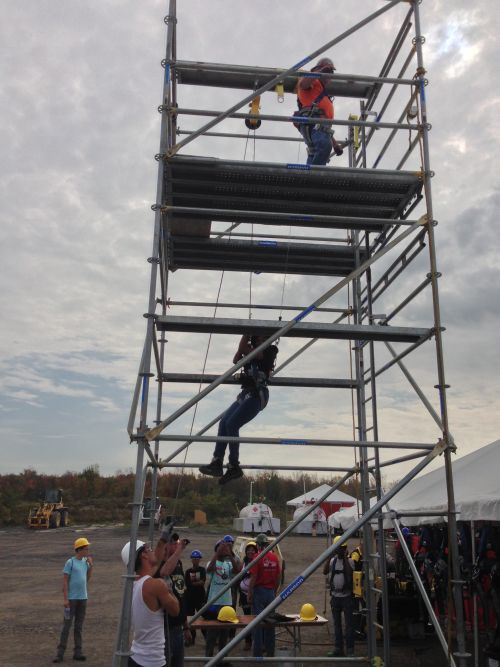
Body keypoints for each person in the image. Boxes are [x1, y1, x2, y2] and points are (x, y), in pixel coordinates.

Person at [199, 335, 278, 485]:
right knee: (224, 423)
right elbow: (236, 359)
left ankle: (234, 465)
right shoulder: (252, 353)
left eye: (260, 340)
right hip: (246, 393)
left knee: (232, 424)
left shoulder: (266, 351)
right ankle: (217, 461)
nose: (258, 342)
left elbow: (243, 348)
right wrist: (246, 343)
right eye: (256, 340)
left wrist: (245, 332)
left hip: (257, 394)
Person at [121, 539, 179, 667]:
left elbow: (154, 565)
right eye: (149, 549)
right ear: (144, 555)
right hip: (153, 661)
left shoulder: (133, 585)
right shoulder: (156, 585)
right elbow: (175, 611)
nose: (152, 551)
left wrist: (162, 541)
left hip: (136, 657)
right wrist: (170, 590)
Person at [295, 57, 343, 165]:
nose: (329, 76)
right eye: (328, 72)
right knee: (324, 145)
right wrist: (320, 72)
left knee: (315, 153)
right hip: (313, 122)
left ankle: (309, 174)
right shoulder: (312, 80)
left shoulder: (321, 91)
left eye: (331, 73)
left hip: (318, 126)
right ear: (318, 69)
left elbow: (324, 129)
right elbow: (303, 84)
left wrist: (335, 144)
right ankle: (315, 175)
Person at [53, 537, 93, 663]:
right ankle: (60, 653)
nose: (88, 551)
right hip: (71, 599)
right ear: (79, 549)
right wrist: (65, 599)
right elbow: (65, 581)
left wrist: (91, 566)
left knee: (78, 627)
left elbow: (87, 579)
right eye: (86, 549)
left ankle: (78, 652)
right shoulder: (70, 562)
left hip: (83, 598)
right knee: (67, 626)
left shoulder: (85, 562)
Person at [154, 532, 191, 667]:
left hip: (178, 627)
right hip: (165, 628)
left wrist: (186, 626)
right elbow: (164, 572)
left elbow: (182, 595)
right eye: (172, 543)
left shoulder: (178, 563)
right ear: (165, 545)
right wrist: (180, 550)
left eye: (176, 542)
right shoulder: (158, 564)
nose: (176, 545)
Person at [204, 539, 241, 658]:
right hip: (214, 602)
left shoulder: (228, 564)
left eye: (225, 548)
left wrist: (230, 554)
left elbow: (237, 571)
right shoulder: (212, 563)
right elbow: (209, 570)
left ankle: (222, 659)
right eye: (221, 548)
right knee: (212, 633)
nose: (224, 550)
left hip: (226, 603)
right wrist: (218, 553)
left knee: (224, 633)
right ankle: (209, 658)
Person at [248, 534, 281, 658]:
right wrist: (274, 590)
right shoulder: (274, 557)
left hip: (259, 591)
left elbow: (254, 577)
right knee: (270, 623)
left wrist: (249, 592)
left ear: (258, 545)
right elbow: (278, 577)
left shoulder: (257, 557)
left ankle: (257, 654)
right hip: (270, 592)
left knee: (257, 624)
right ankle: (270, 652)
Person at [323, 536, 355, 658]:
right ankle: (338, 648)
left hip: (347, 597)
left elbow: (349, 572)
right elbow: (325, 571)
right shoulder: (333, 561)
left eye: (342, 548)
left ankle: (350, 650)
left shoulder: (350, 561)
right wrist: (330, 556)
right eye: (338, 548)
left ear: (345, 548)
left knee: (349, 625)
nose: (340, 551)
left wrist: (345, 557)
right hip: (335, 597)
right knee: (337, 625)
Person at [184, 549, 207, 645]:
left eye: (197, 558)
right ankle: (191, 638)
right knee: (190, 619)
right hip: (189, 598)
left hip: (200, 598)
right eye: (194, 558)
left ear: (200, 559)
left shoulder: (202, 570)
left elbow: (202, 582)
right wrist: (197, 583)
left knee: (204, 617)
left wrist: (193, 584)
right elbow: (187, 583)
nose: (195, 560)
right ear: (191, 559)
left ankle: (207, 637)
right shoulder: (188, 571)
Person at [239, 541, 258, 650]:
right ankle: (248, 641)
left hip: (254, 594)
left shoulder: (257, 562)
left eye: (253, 550)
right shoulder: (244, 562)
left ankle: (258, 641)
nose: (250, 552)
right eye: (248, 550)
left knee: (256, 617)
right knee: (246, 618)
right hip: (243, 594)